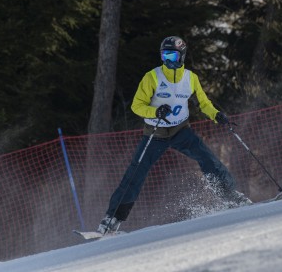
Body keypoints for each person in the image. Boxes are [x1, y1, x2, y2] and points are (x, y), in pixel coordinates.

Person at [97, 36, 251, 234]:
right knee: (136, 172)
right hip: (156, 132)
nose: (167, 60)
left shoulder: (190, 78)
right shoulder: (152, 77)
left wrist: (216, 115)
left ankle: (230, 196)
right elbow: (137, 105)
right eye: (164, 55)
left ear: (181, 55)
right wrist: (155, 111)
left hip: (180, 131)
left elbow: (204, 103)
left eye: (171, 55)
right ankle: (113, 218)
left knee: (208, 159)